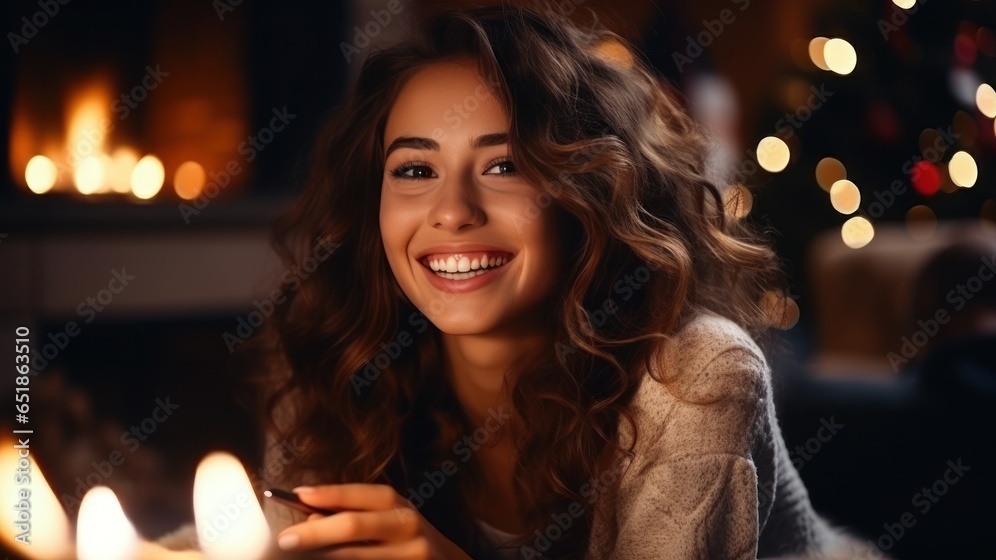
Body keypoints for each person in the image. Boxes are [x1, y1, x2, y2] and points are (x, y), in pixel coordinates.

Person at [243, 4, 877, 559]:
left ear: (588, 194)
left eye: (504, 164)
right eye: (414, 169)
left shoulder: (698, 379)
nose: (453, 211)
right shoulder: (327, 355)